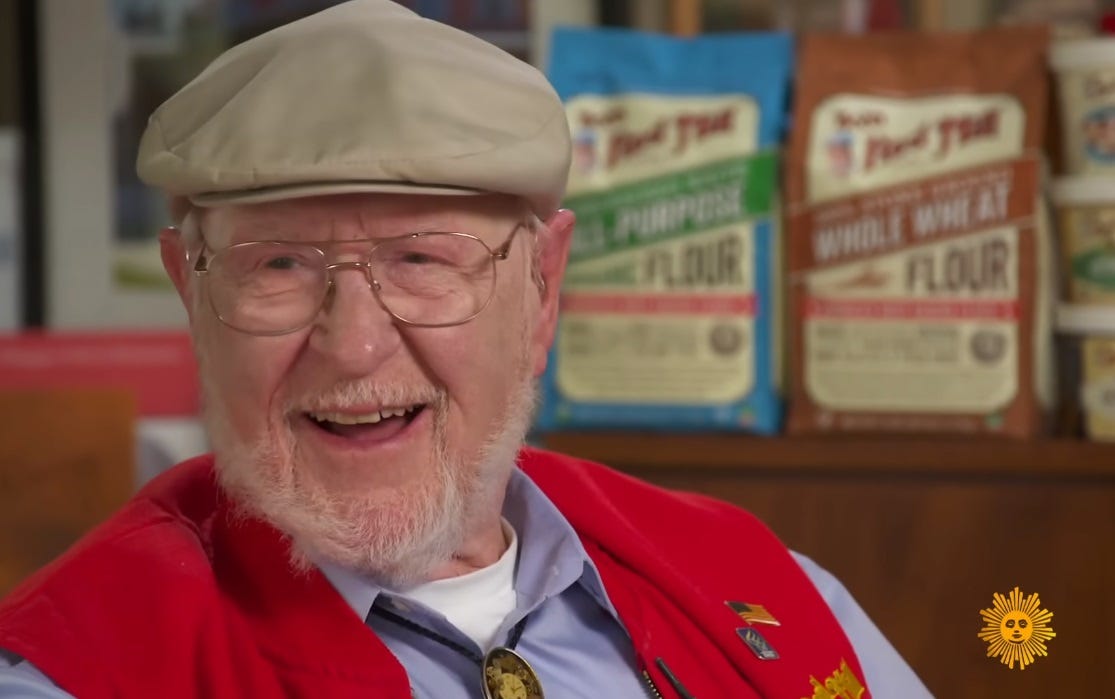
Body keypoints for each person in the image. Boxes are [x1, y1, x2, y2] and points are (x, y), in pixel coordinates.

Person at [0, 2, 932, 697]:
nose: (355, 344)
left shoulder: (769, 589)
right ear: (190, 293)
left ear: (541, 291)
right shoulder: (77, 666)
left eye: (422, 259)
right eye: (278, 264)